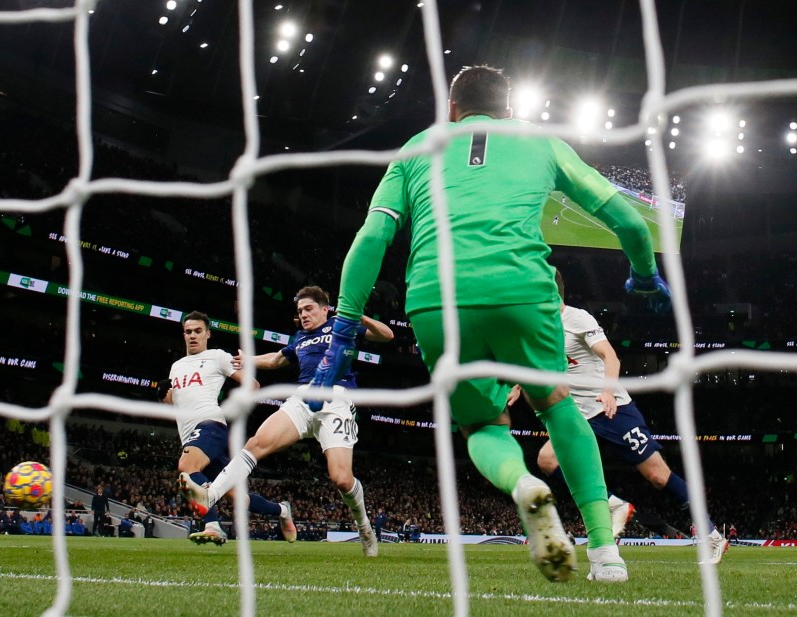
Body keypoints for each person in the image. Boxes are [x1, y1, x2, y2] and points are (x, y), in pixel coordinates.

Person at [312, 65, 672, 581]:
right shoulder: (541, 142)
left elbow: (372, 239)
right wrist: (642, 276)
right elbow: (632, 223)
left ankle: (524, 486)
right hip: (523, 290)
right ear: (509, 111)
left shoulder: (417, 145)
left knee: (481, 425)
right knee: (558, 407)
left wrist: (345, 325)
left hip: (437, 299)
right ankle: (605, 553)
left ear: (452, 110)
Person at [513, 269, 728, 564]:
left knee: (657, 475)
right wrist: (515, 385)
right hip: (576, 414)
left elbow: (611, 357)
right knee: (546, 460)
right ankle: (614, 505)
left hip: (612, 409)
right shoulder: (539, 326)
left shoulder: (578, 319)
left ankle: (712, 536)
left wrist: (609, 392)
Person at [179, 286, 394, 557]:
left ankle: (364, 528)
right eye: (300, 311)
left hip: (336, 400)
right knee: (256, 443)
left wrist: (359, 316)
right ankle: (210, 496)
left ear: (325, 309)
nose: (303, 315)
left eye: (308, 309)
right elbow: (277, 359)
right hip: (302, 399)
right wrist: (248, 360)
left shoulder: (342, 325)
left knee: (341, 479)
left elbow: (387, 335)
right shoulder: (300, 337)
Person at [165, 310, 296, 546]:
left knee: (186, 466)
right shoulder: (176, 367)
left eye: (198, 331)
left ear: (208, 334)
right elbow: (172, 402)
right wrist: (163, 396)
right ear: (183, 335)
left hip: (210, 425)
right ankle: (282, 510)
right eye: (188, 332)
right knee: (238, 498)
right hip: (190, 435)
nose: (193, 336)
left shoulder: (217, 357)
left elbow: (252, 384)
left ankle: (212, 526)